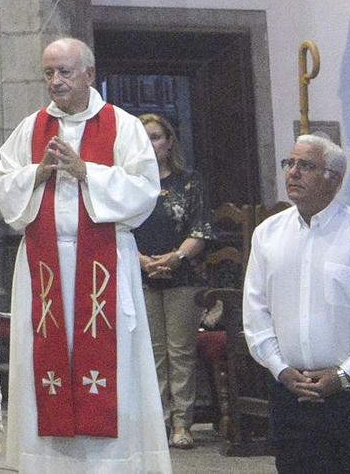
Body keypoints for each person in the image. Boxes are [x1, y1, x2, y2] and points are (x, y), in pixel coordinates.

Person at [0, 37, 169, 473]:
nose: (55, 81)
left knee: (112, 366)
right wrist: (38, 172)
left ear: (90, 74)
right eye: (49, 72)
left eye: (65, 72)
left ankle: (113, 465)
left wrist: (86, 171)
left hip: (103, 262)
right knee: (43, 363)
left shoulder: (122, 125)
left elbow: (145, 190)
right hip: (43, 268)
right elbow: (3, 185)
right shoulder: (31, 128)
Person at [242, 134, 350, 474]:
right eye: (289, 163)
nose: (292, 173)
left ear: (334, 179)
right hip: (292, 394)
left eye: (305, 165)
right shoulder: (267, 235)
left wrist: (345, 375)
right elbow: (255, 311)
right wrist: (280, 368)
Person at [134, 113, 215, 449]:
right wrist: (142, 261)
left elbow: (200, 229)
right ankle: (158, 421)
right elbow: (118, 229)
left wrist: (175, 257)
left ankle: (183, 423)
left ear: (169, 142)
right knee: (152, 351)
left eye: (155, 137)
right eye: (143, 138)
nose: (150, 144)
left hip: (182, 274)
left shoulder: (189, 181)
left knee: (180, 352)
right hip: (141, 271)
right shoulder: (131, 183)